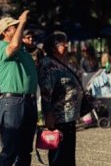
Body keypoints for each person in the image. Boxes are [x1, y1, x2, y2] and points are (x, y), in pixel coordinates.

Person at [0, 11, 38, 166]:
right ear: (5, 32)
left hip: (28, 102)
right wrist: (22, 22)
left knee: (25, 151)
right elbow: (13, 46)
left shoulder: (22, 50)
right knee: (10, 151)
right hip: (12, 102)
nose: (19, 28)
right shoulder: (2, 49)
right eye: (14, 27)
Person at [38, 31, 83, 166]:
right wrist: (48, 114)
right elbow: (46, 92)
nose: (67, 45)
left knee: (69, 153)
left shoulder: (63, 61)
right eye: (63, 43)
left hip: (69, 115)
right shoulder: (48, 64)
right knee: (59, 154)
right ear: (53, 46)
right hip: (58, 116)